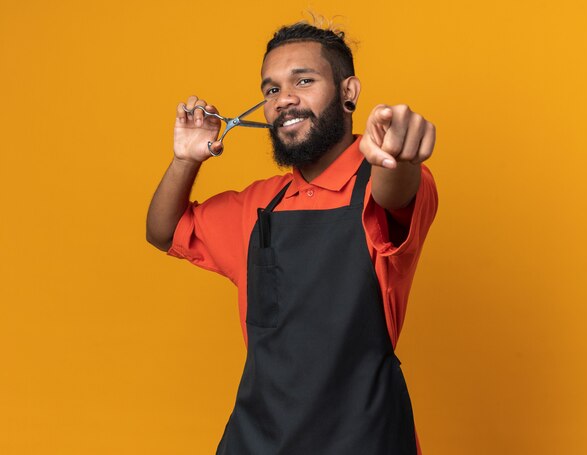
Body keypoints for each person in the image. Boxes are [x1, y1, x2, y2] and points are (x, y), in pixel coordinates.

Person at [147, 21, 438, 455]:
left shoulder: (379, 182)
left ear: (348, 92)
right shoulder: (257, 205)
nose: (284, 99)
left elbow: (394, 191)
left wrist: (398, 156)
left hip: (364, 438)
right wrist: (185, 159)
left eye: (303, 80)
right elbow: (162, 231)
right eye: (270, 90)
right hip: (258, 440)